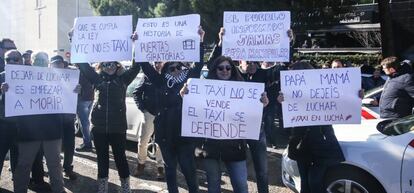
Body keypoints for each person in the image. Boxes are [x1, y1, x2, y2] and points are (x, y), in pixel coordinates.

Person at [181, 56, 269, 193]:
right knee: (214, 185)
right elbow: (194, 110)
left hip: (235, 147)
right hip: (210, 147)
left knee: (241, 185)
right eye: (220, 68)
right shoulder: (203, 89)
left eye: (228, 68)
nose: (225, 71)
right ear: (215, 70)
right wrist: (185, 97)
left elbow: (250, 116)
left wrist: (261, 105)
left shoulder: (243, 89)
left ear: (232, 69)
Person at [134, 26, 205, 193]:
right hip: (165, 135)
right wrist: (137, 45)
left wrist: (200, 40)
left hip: (185, 136)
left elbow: (199, 63)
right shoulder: (158, 81)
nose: (175, 70)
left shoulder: (189, 78)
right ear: (165, 70)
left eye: (178, 67)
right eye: (171, 68)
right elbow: (144, 65)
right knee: (170, 172)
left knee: (189, 171)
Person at [2, 51, 72, 193]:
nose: (40, 62)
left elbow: (67, 96)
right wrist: (3, 92)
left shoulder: (56, 78)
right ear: (31, 62)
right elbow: (10, 103)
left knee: (55, 165)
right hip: (29, 131)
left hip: (52, 131)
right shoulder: (20, 77)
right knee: (24, 165)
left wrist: (75, 90)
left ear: (47, 63)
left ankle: (58, 190)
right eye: (37, 60)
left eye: (43, 60)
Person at [277, 61, 347, 193]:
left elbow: (341, 102)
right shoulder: (291, 94)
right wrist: (282, 104)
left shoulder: (322, 90)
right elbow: (286, 121)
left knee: (314, 181)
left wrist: (356, 95)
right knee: (304, 182)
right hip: (301, 144)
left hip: (322, 143)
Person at [77, 60, 140, 193]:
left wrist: (136, 44)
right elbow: (83, 65)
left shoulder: (124, 79)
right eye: (105, 64)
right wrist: (74, 40)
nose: (109, 67)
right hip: (99, 128)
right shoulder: (97, 79)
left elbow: (136, 66)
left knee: (120, 158)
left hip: (118, 128)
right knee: (102, 159)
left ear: (118, 65)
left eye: (112, 64)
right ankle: (103, 187)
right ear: (101, 66)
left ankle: (125, 187)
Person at [132, 62, 164, 180]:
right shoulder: (146, 77)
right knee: (143, 140)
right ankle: (141, 165)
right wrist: (143, 109)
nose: (158, 64)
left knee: (162, 143)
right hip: (149, 113)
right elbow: (136, 93)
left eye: (160, 62)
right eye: (156, 62)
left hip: (163, 115)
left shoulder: (167, 76)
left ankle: (160, 168)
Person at [49, 55, 78, 181]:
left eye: (60, 63)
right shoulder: (45, 77)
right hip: (52, 120)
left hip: (68, 118)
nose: (58, 65)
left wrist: (78, 90)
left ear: (64, 64)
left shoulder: (70, 77)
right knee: (53, 147)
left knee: (69, 145)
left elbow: (75, 93)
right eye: (55, 63)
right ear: (50, 65)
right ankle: (53, 172)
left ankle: (68, 168)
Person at [75, 64, 94, 152]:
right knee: (85, 122)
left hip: (83, 98)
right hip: (89, 98)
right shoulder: (90, 70)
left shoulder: (79, 72)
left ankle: (88, 144)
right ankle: (88, 142)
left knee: (84, 122)